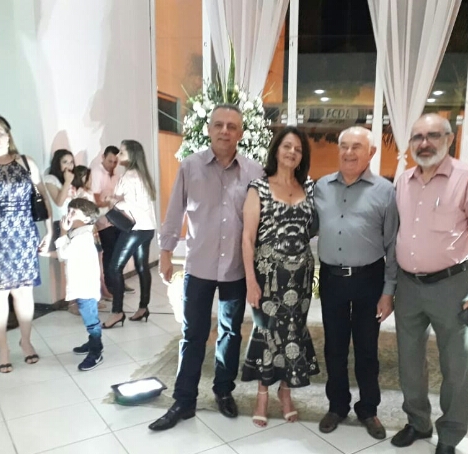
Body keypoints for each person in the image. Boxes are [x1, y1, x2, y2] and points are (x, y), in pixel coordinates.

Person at [392, 113, 468, 454]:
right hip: (409, 286)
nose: (424, 143)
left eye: (433, 136)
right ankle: (418, 422)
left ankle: (450, 436)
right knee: (409, 361)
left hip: (452, 287)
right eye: (418, 137)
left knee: (455, 365)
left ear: (449, 139)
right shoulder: (403, 181)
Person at [149, 104, 263, 431]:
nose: (225, 131)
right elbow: (175, 211)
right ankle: (184, 400)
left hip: (235, 269)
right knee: (193, 335)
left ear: (241, 133)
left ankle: (223, 390)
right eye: (219, 125)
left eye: (232, 126)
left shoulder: (253, 171)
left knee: (230, 332)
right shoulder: (190, 166)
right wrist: (166, 253)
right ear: (209, 129)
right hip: (199, 266)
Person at [313, 126, 398, 440]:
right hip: (332, 280)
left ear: (371, 152)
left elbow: (393, 245)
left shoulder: (386, 191)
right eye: (344, 146)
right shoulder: (321, 187)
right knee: (333, 347)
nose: (349, 153)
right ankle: (337, 406)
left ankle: (368, 409)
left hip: (369, 280)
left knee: (367, 350)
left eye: (357, 147)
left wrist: (388, 291)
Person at [241, 126, 319, 427]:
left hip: (301, 278)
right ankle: (262, 394)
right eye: (287, 146)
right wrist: (250, 281)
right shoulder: (258, 187)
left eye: (298, 149)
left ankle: (285, 391)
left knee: (294, 331)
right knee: (267, 331)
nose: (292, 152)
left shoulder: (309, 187)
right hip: (267, 278)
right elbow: (248, 238)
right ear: (276, 150)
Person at [0, 112, 53, 373]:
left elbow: (43, 196)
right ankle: (3, 348)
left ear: (8, 135)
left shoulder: (25, 163)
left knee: (23, 292)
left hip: (23, 236)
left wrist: (49, 231)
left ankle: (25, 340)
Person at [102, 140, 157, 328]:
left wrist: (112, 200)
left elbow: (130, 204)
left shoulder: (129, 176)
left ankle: (117, 312)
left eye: (122, 152)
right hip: (147, 227)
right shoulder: (143, 175)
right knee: (142, 267)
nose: (118, 155)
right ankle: (143, 307)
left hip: (135, 228)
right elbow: (142, 202)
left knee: (114, 268)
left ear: (132, 155)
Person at [55, 198, 103, 371]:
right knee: (88, 316)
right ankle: (93, 343)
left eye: (74, 212)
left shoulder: (82, 236)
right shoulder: (78, 233)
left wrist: (62, 231)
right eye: (69, 210)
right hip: (83, 283)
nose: (69, 214)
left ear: (87, 218)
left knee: (91, 320)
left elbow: (63, 255)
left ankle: (96, 351)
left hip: (85, 286)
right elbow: (64, 254)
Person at [91, 146, 120, 300]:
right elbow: (95, 200)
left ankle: (116, 282)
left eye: (115, 162)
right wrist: (108, 202)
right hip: (103, 219)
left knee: (116, 251)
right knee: (108, 253)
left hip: (116, 217)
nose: (112, 165)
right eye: (110, 161)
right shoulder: (96, 172)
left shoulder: (116, 173)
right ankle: (108, 285)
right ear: (103, 157)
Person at [44, 148, 76, 247]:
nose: (69, 165)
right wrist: (67, 182)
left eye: (71, 162)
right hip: (58, 222)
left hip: (71, 222)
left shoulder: (68, 180)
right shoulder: (50, 179)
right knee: (59, 253)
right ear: (58, 163)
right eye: (65, 162)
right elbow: (59, 202)